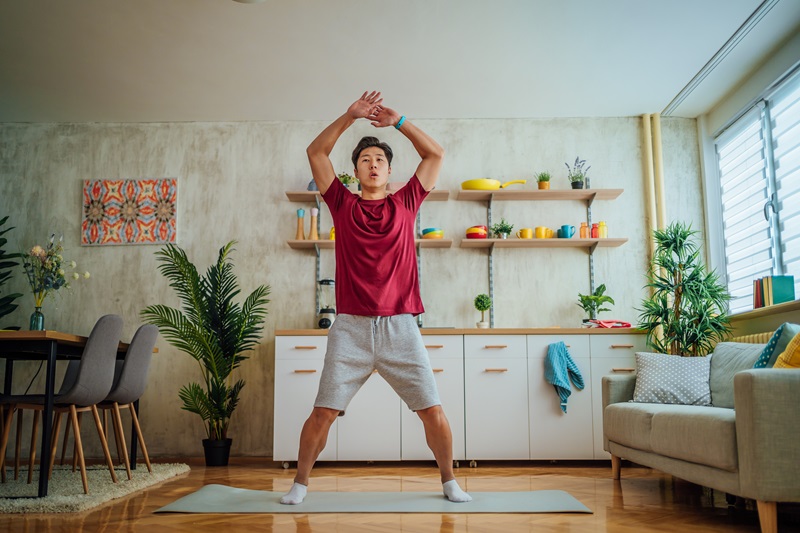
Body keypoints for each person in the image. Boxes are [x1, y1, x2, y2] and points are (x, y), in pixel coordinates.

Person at [280, 91, 471, 505]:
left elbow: (435, 153)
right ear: (354, 171)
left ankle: (449, 481)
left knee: (431, 410)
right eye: (365, 160)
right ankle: (299, 484)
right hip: (349, 328)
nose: (373, 164)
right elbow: (316, 151)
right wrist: (351, 116)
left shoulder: (407, 201)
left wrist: (398, 121)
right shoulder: (341, 204)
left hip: (400, 326)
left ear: (389, 170)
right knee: (323, 412)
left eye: (380, 160)